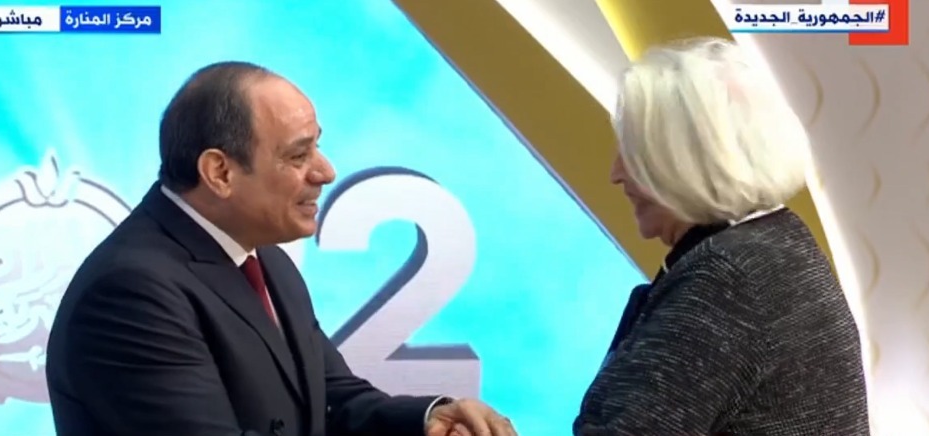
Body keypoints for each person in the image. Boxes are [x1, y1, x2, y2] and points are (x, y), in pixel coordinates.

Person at [46, 61, 517, 436]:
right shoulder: (130, 292)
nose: (326, 171)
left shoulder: (262, 255)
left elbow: (332, 400)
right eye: (298, 155)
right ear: (220, 173)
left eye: (317, 147)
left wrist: (429, 421)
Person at [573, 37, 870, 435]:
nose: (616, 174)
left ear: (683, 158)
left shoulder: (727, 278)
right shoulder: (777, 242)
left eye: (633, 152)